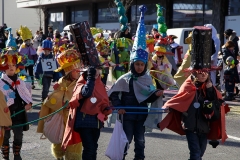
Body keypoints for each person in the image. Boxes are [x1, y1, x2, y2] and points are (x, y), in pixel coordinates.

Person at [159, 26, 229, 160]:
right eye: (200, 73)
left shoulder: (210, 87)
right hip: (190, 125)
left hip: (204, 125)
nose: (203, 76)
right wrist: (168, 106)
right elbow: (178, 99)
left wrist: (209, 89)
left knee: (200, 152)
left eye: (205, 74)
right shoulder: (188, 84)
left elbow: (216, 101)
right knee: (195, 153)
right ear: (195, 73)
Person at [108, 5, 163, 160]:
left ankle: (139, 158)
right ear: (132, 64)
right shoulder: (125, 78)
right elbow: (113, 94)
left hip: (141, 115)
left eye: (142, 65)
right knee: (126, 140)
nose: (139, 67)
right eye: (137, 64)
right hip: (127, 114)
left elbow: (148, 96)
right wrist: (119, 107)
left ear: (145, 65)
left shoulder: (146, 78)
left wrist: (156, 94)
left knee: (140, 141)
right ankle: (121, 157)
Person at [37, 49, 82, 160]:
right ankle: (59, 155)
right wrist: (60, 103)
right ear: (68, 71)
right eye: (75, 69)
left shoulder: (81, 83)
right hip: (62, 119)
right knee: (60, 140)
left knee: (74, 144)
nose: (79, 71)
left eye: (78, 68)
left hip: (76, 120)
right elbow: (54, 98)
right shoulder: (61, 83)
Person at [61, 66, 112, 160]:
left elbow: (103, 102)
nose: (95, 73)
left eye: (97, 71)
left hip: (96, 122)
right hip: (84, 122)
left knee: (94, 147)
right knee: (89, 148)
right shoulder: (81, 84)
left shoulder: (100, 85)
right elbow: (86, 92)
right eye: (93, 72)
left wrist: (106, 108)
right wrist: (90, 78)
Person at [0, 48, 32, 160]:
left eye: (13, 64)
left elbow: (26, 95)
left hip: (18, 112)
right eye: (8, 65)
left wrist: (29, 104)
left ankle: (17, 155)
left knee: (19, 135)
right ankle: (5, 156)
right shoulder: (0, 83)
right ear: (4, 68)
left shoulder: (20, 81)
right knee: (5, 137)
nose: (11, 67)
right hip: (5, 114)